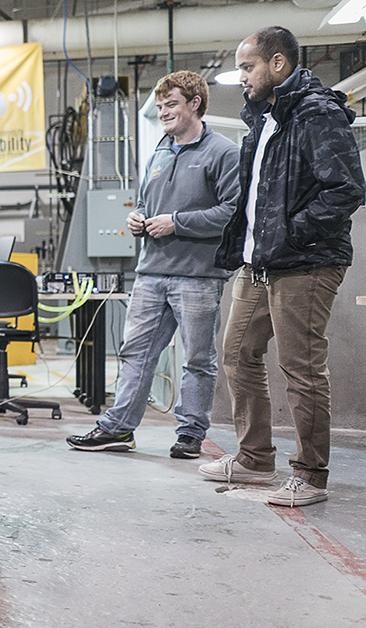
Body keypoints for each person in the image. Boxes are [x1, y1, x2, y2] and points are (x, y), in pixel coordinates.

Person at [199, 26, 364, 507]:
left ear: (278, 64)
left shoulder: (316, 113)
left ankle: (310, 475)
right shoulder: (265, 120)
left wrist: (291, 234)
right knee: (236, 353)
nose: (242, 77)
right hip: (259, 263)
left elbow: (347, 189)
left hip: (306, 263)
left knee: (301, 369)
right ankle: (254, 458)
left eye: (247, 67)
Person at [67, 71, 238, 458]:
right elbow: (147, 204)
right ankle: (118, 429)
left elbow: (231, 213)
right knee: (135, 353)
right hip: (152, 273)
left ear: (195, 104)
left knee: (197, 359)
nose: (163, 112)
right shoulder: (160, 151)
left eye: (171, 104)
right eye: (160, 106)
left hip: (198, 276)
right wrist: (138, 218)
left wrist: (176, 222)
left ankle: (191, 434)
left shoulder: (223, 153)